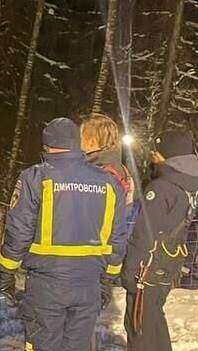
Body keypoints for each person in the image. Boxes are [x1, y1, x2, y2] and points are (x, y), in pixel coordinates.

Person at [0, 118, 128, 351]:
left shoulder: (36, 177)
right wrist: (108, 279)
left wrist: (6, 271)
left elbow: (19, 232)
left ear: (47, 145)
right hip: (88, 285)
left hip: (47, 286)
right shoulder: (108, 183)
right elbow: (116, 238)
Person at [122, 130, 198, 351]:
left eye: (156, 153)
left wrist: (130, 272)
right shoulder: (191, 184)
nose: (153, 157)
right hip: (169, 261)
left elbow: (145, 233)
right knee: (154, 320)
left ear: (169, 156)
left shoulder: (161, 188)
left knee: (139, 327)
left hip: (148, 266)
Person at [81, 113, 138, 310]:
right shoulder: (123, 171)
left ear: (92, 141)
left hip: (89, 255)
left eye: (81, 136)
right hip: (107, 253)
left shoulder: (96, 173)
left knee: (78, 320)